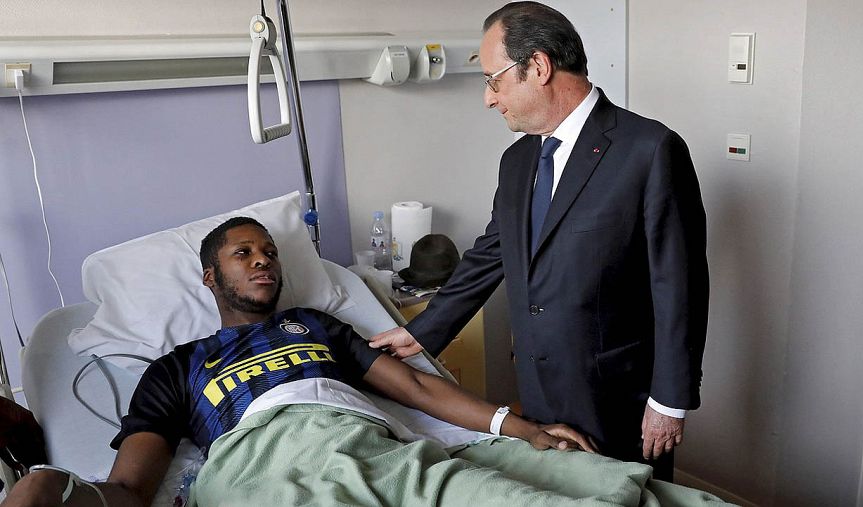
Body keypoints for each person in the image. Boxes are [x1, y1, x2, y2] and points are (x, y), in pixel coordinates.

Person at [4, 217, 724, 507]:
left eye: (270, 251)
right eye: (243, 253)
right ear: (209, 277)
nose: (264, 260)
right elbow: (130, 486)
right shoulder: (178, 365)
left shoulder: (316, 325)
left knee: (584, 485)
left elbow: (416, 389)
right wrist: (62, 495)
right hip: (265, 464)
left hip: (372, 446)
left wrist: (524, 428)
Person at [369, 1, 709, 480]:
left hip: (618, 393)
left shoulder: (648, 151)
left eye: (493, 80)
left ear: (539, 66)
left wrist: (669, 402)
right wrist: (421, 331)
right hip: (538, 385)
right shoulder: (517, 162)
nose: (488, 99)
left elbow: (680, 286)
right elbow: (492, 253)